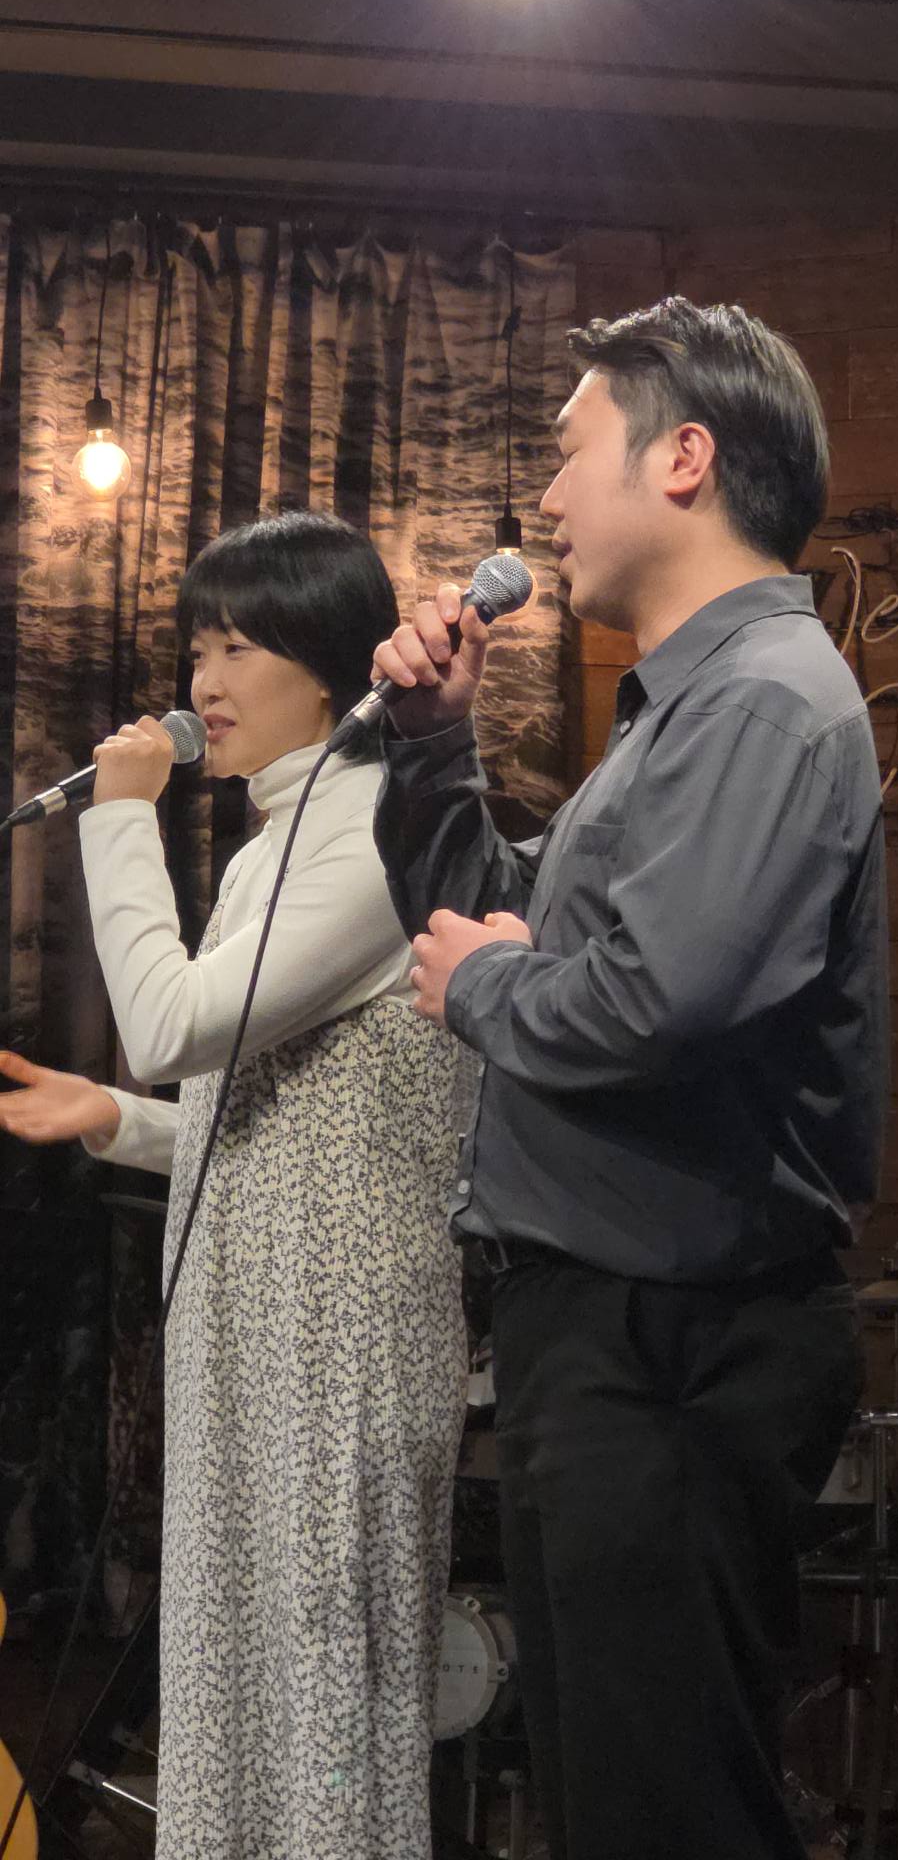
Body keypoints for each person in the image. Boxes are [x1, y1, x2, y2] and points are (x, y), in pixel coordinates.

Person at [368, 298, 886, 1860]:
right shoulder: (689, 710)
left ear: (684, 459)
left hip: (677, 1341)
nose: (546, 502)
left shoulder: (767, 700)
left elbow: (659, 999)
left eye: (570, 452)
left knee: (666, 1813)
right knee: (617, 1801)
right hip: (616, 1329)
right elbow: (492, 923)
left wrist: (492, 986)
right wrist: (432, 748)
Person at [0, 511, 468, 1860]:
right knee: (237, 1706)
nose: (203, 683)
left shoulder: (375, 829)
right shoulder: (278, 839)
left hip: (340, 1340)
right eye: (197, 648)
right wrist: (123, 1121)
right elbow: (284, 1112)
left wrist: (119, 822)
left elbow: (171, 1023)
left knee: (321, 1714)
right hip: (253, 1328)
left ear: (330, 664)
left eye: (238, 648)